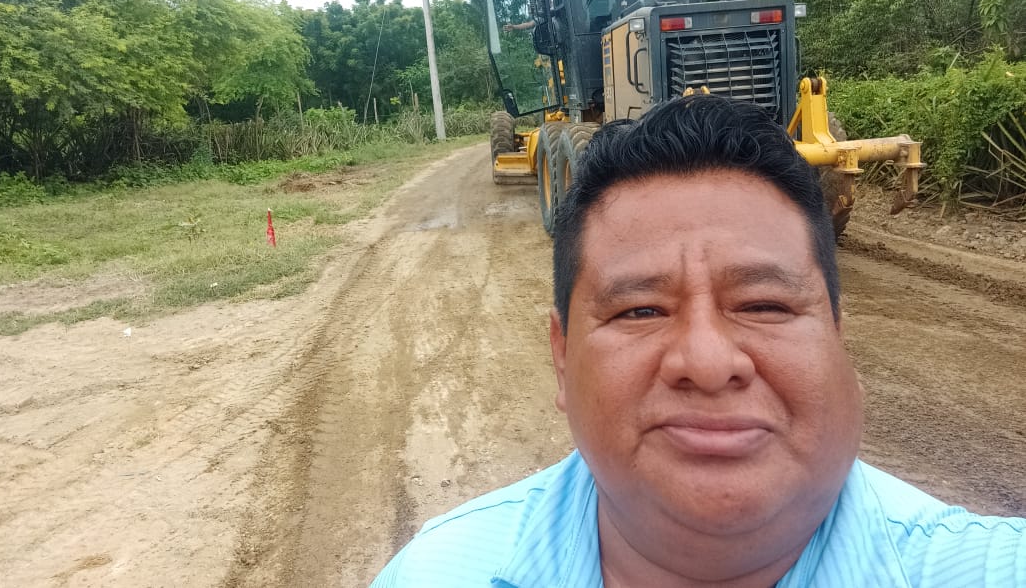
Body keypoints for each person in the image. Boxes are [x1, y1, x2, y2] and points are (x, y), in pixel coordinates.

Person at [371, 95, 1025, 587]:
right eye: (640, 310)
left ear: (837, 334)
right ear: (562, 357)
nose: (708, 363)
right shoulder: (436, 573)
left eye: (765, 305)